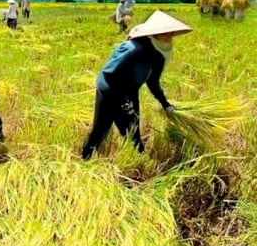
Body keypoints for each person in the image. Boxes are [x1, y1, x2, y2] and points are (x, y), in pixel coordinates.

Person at [80, 10, 193, 160]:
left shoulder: (158, 56)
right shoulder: (133, 49)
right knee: (101, 130)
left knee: (133, 131)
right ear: (154, 33)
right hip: (109, 91)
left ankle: (140, 160)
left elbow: (153, 82)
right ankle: (85, 159)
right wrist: (124, 101)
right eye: (166, 33)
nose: (169, 37)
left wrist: (165, 104)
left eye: (171, 34)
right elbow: (110, 74)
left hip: (130, 92)